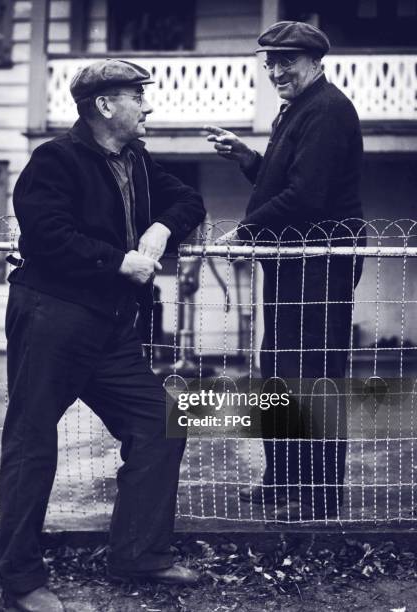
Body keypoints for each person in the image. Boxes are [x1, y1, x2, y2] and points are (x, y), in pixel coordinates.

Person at [0, 59, 205, 610]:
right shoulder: (54, 161)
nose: (149, 105)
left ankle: (138, 554)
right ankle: (20, 580)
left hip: (109, 329)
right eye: (139, 96)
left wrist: (161, 227)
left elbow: (189, 201)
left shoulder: (136, 160)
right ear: (105, 106)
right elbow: (46, 237)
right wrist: (120, 263)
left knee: (160, 425)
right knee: (31, 443)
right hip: (52, 317)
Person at [205, 21, 365, 521]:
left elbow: (308, 196)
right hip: (291, 261)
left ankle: (319, 496)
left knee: (315, 377)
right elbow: (285, 183)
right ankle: (282, 479)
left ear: (316, 63)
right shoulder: (296, 110)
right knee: (278, 369)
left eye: (287, 62)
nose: (276, 71)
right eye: (270, 62)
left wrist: (245, 233)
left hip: (321, 263)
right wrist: (249, 159)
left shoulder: (328, 111)